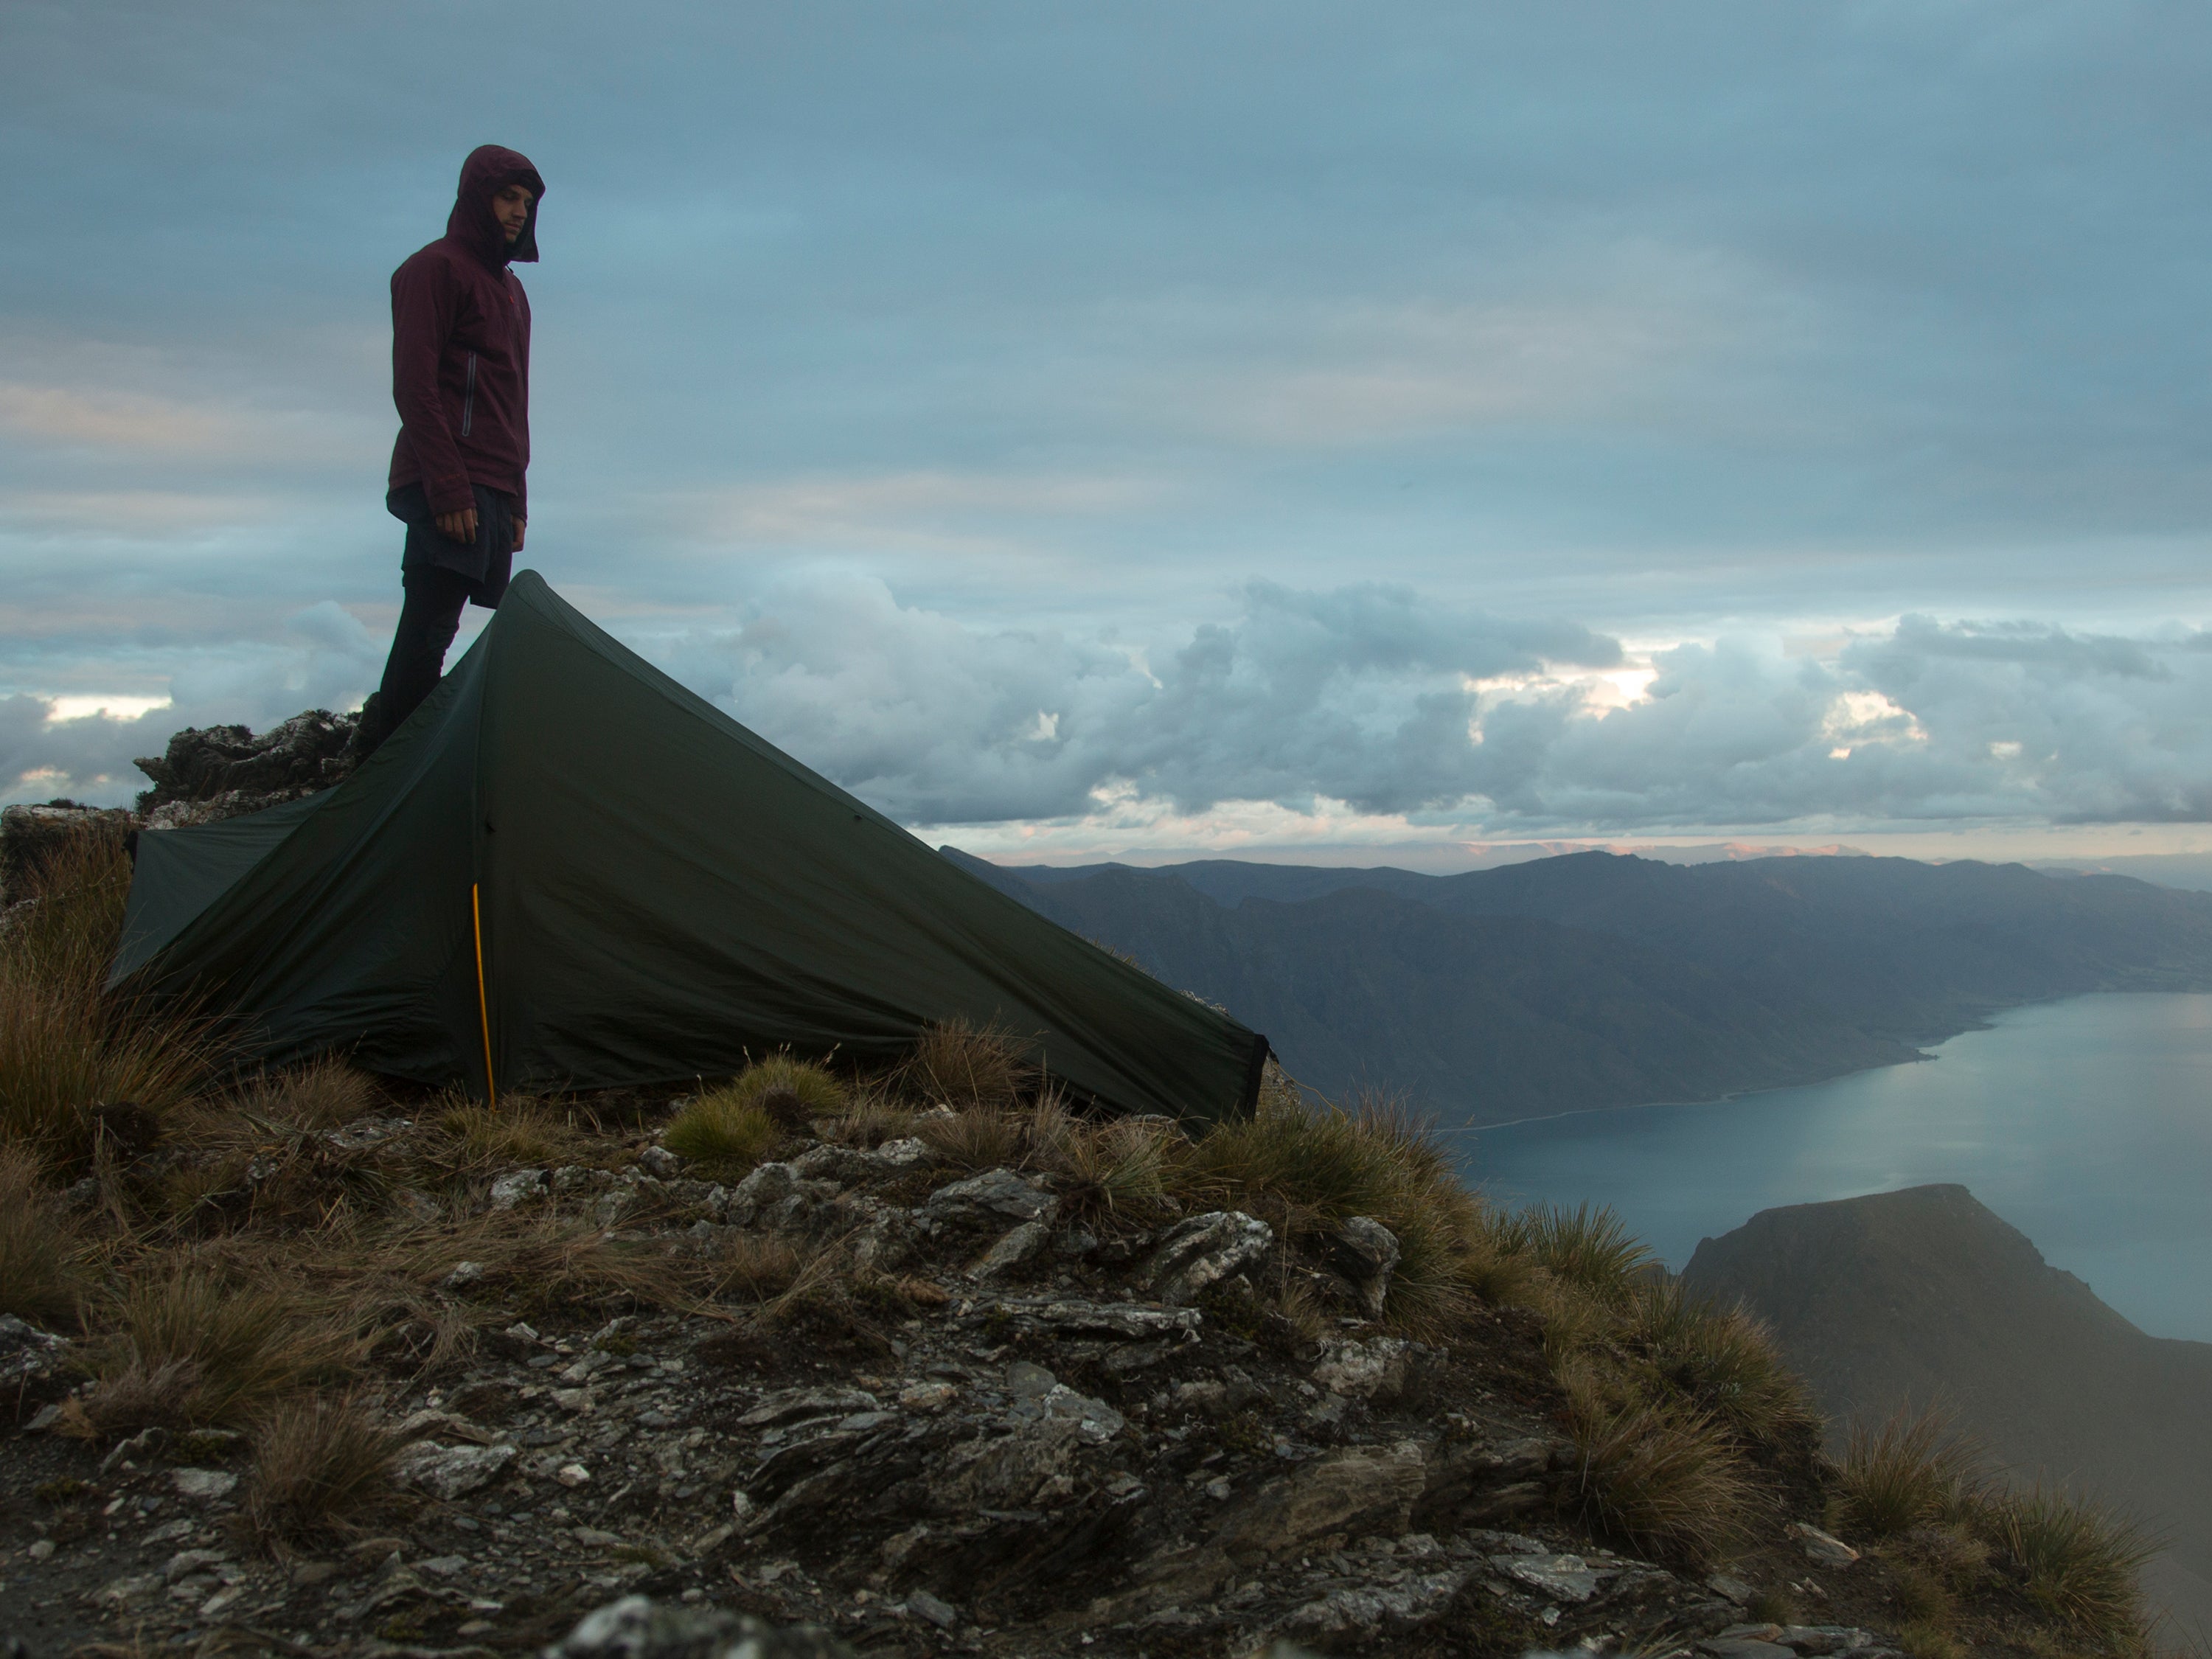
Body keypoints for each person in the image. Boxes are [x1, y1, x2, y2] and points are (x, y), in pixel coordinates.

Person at [355, 144, 546, 755]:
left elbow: (512, 398)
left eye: (526, 201)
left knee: (452, 623)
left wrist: (516, 497)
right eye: (506, 197)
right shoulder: (433, 270)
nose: (518, 212)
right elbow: (414, 386)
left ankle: (401, 753)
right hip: (447, 478)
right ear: (475, 197)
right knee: (430, 624)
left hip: (493, 482)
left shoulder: (513, 293)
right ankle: (386, 766)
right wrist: (447, 486)